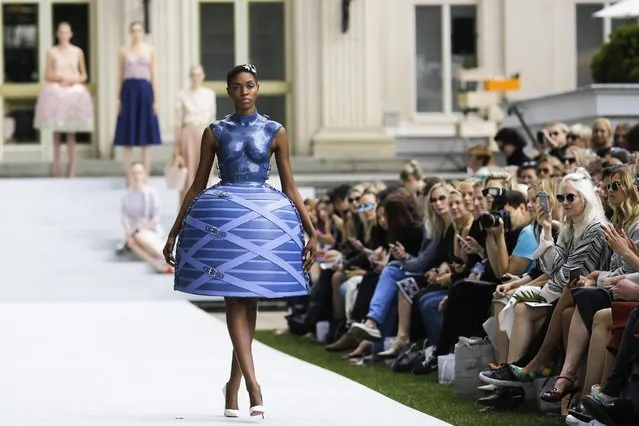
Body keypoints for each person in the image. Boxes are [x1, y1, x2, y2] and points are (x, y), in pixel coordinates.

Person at [163, 64, 316, 419]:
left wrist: (313, 232)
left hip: (261, 219)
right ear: (229, 92)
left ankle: (232, 387)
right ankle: (253, 386)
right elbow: (197, 183)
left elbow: (289, 185)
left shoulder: (276, 131)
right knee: (235, 300)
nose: (244, 92)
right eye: (237, 87)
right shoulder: (215, 131)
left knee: (250, 301)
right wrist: (174, 231)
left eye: (249, 86)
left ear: (258, 89)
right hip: (225, 219)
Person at [33, 21, 93, 178]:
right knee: (57, 132)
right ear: (57, 34)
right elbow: (47, 74)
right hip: (57, 91)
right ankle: (57, 168)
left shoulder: (77, 52)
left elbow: (84, 75)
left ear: (71, 34)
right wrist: (60, 78)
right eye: (61, 32)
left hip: (72, 92)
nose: (64, 35)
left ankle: (72, 169)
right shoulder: (52, 52)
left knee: (71, 133)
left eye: (67, 32)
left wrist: (73, 80)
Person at [113, 21, 162, 184]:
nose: (136, 33)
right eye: (133, 30)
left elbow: (154, 75)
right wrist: (118, 98)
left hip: (144, 89)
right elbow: (119, 76)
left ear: (142, 32)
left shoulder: (150, 50)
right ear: (129, 32)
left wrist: (155, 99)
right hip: (128, 89)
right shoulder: (123, 51)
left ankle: (145, 176)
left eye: (139, 30)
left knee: (145, 134)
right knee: (127, 133)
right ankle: (129, 177)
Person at [173, 65, 217, 201]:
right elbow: (178, 123)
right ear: (190, 77)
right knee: (189, 171)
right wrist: (177, 149)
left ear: (203, 76)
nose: (196, 78)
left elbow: (212, 118)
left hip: (205, 132)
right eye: (193, 75)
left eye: (198, 74)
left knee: (205, 169)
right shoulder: (182, 94)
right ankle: (187, 205)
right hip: (189, 134)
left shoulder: (209, 94)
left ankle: (205, 202)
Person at [120, 163, 172, 274]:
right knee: (132, 241)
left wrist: (143, 229)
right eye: (134, 173)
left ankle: (166, 259)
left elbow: (156, 217)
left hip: (149, 230)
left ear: (144, 175)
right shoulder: (126, 195)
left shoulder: (151, 193)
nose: (136, 176)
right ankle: (158, 266)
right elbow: (125, 218)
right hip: (135, 232)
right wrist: (129, 234)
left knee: (137, 235)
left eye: (139, 172)